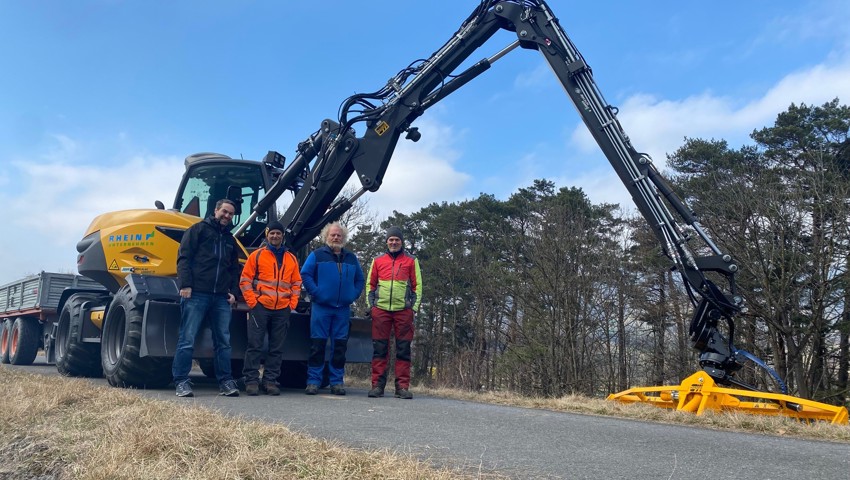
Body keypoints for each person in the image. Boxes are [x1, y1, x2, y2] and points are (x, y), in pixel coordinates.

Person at [172, 198, 242, 397]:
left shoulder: (230, 240)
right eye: (225, 212)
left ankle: (226, 382)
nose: (227, 216)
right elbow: (183, 257)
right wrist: (185, 285)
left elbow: (233, 269)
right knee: (187, 339)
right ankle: (181, 382)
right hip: (196, 294)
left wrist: (233, 292)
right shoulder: (197, 230)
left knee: (224, 342)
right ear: (216, 210)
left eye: (230, 214)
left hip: (220, 297)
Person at [300, 222, 365, 395]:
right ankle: (313, 381)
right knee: (317, 345)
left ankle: (337, 382)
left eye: (339, 235)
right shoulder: (316, 255)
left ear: (343, 238)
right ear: (326, 237)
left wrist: (353, 295)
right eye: (332, 235)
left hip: (342, 309)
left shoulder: (351, 258)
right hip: (321, 307)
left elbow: (360, 279)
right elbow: (305, 274)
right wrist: (316, 293)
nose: (336, 238)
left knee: (339, 347)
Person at [239, 221, 302, 396]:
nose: (275, 236)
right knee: (254, 345)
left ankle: (270, 381)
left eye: (278, 233)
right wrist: (253, 302)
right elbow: (245, 280)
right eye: (272, 233)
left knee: (276, 348)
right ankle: (251, 381)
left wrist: (292, 304)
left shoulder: (291, 258)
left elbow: (296, 283)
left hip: (282, 309)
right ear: (267, 235)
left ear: (283, 236)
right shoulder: (257, 256)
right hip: (260, 307)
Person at [367, 226, 422, 399]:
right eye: (391, 239)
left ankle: (402, 387)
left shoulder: (412, 261)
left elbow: (417, 286)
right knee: (380, 350)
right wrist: (372, 306)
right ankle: (377, 386)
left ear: (401, 241)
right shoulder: (377, 260)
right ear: (387, 242)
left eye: (396, 239)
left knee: (403, 350)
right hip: (381, 311)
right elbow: (370, 285)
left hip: (403, 311)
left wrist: (413, 308)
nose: (393, 242)